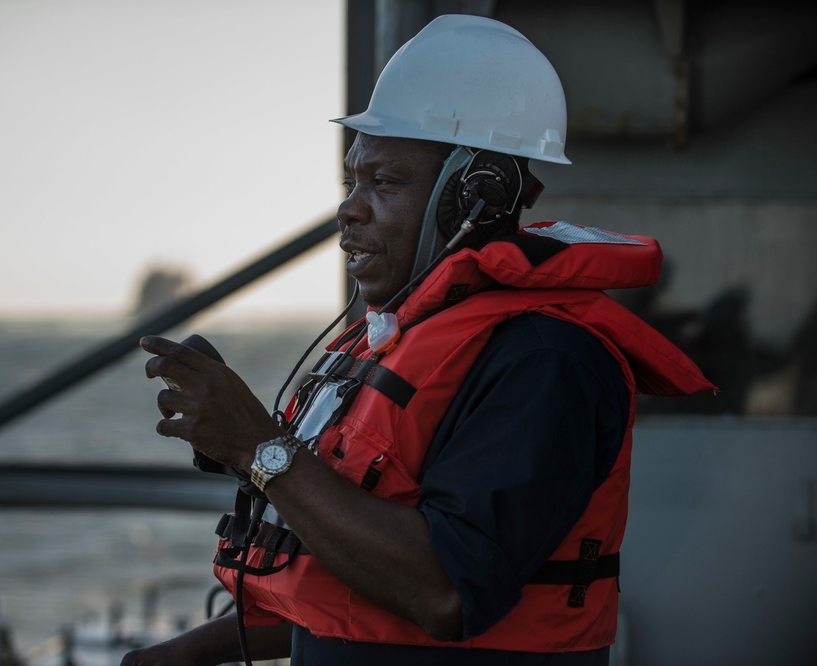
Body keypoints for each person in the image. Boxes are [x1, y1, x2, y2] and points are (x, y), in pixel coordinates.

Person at [124, 14, 714, 666]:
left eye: (385, 182)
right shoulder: (391, 344)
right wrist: (178, 655)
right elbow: (349, 588)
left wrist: (258, 446)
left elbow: (443, 591)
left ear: (474, 196)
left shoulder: (546, 361)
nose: (350, 209)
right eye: (352, 180)